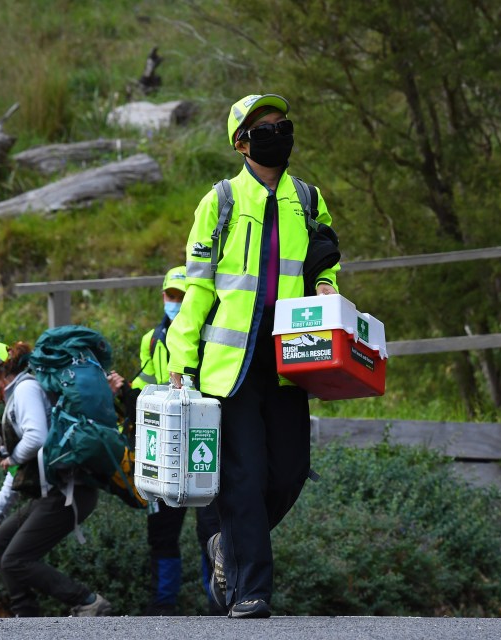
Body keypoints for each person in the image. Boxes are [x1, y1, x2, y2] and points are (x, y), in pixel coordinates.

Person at [165, 94, 341, 619]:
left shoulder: (308, 198)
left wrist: (328, 286)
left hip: (292, 356)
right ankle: (250, 591)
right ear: (241, 143)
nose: (277, 133)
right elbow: (196, 291)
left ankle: (226, 542)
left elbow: (325, 259)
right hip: (230, 365)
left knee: (288, 471)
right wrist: (181, 357)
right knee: (242, 476)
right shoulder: (217, 201)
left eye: (282, 124)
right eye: (263, 128)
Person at [108, 266, 222, 615]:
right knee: (161, 533)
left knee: (211, 534)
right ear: (163, 296)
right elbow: (147, 393)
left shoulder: (215, 334)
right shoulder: (152, 339)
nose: (177, 302)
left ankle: (218, 602)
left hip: (204, 442)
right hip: (166, 449)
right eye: (172, 295)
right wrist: (124, 391)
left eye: (184, 296)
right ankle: (163, 607)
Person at [0, 341, 111, 617]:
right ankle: (26, 615)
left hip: (69, 491)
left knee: (16, 559)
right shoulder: (17, 396)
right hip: (52, 492)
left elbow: (37, 438)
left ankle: (88, 601)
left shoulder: (24, 390)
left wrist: (12, 457)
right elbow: (19, 472)